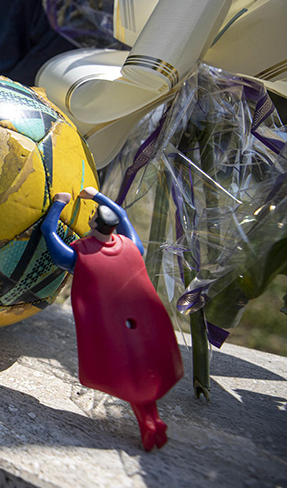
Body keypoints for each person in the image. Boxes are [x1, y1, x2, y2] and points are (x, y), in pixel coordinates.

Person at [41, 186, 183, 451]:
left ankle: (150, 423)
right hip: (144, 325)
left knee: (126, 373)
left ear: (93, 222)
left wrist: (59, 204)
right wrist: (96, 195)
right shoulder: (132, 247)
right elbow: (123, 215)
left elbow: (49, 234)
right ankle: (150, 422)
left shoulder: (81, 257)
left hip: (110, 331)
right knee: (142, 372)